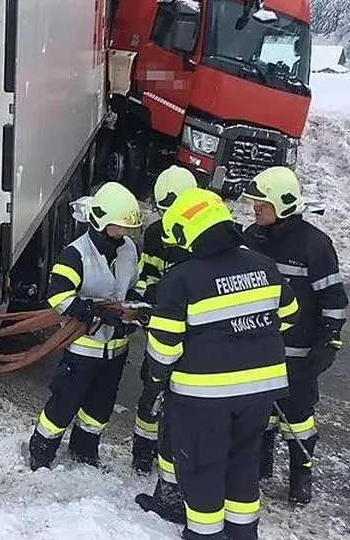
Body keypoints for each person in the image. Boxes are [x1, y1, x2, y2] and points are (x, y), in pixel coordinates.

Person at [134, 188, 300, 540]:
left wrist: (157, 382)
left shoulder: (181, 279)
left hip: (203, 396)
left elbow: (164, 347)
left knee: (201, 468)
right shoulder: (263, 265)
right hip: (259, 391)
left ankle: (203, 535)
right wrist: (246, 337)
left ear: (186, 233)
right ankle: (242, 534)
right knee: (243, 464)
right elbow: (289, 316)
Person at [240, 166, 348, 505]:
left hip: (298, 352)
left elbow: (333, 298)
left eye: (262, 205)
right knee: (260, 410)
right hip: (258, 347)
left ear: (282, 205)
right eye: (255, 204)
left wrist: (329, 339)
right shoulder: (250, 237)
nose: (255, 209)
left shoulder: (314, 245)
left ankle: (301, 475)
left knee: (298, 416)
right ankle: (261, 466)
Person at [27, 181, 143, 471]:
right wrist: (94, 312)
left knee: (99, 409)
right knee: (63, 404)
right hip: (82, 350)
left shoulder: (129, 250)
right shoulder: (76, 254)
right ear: (102, 223)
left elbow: (134, 283)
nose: (124, 234)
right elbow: (58, 296)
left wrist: (134, 309)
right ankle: (41, 452)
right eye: (120, 227)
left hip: (116, 350)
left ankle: (85, 451)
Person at [131, 165, 198, 474]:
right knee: (151, 391)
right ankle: (142, 455)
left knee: (187, 402)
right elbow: (147, 274)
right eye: (165, 211)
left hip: (197, 338)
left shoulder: (204, 235)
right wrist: (146, 298)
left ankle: (178, 461)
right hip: (163, 332)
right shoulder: (156, 234)